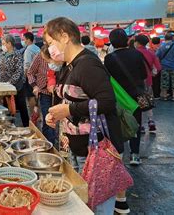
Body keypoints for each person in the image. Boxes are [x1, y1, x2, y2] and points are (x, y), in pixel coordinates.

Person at [44, 17, 124, 215]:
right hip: (80, 147)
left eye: (51, 43)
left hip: (96, 149)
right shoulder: (70, 64)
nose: (50, 48)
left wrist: (69, 111)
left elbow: (107, 102)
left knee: (97, 206)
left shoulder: (87, 64)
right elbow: (74, 97)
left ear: (65, 36)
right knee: (84, 203)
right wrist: (56, 113)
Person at [104, 29, 146, 166]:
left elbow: (106, 79)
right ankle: (135, 154)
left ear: (112, 43)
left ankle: (119, 154)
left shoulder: (109, 58)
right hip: (136, 96)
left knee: (119, 124)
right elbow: (144, 75)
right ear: (127, 40)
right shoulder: (137, 54)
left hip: (119, 98)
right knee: (136, 124)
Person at [27, 45, 57, 144]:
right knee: (47, 118)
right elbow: (30, 72)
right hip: (44, 93)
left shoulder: (58, 57)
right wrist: (34, 86)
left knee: (56, 119)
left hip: (58, 94)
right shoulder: (39, 56)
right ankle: (49, 144)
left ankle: (54, 141)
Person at [0, 35, 29, 127]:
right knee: (7, 106)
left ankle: (26, 126)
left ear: (9, 43)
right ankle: (9, 126)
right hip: (5, 86)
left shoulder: (17, 54)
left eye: (4, 44)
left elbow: (19, 71)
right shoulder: (3, 54)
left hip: (17, 86)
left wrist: (10, 83)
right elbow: (1, 70)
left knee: (21, 106)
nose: (2, 46)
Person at [134, 34, 161, 133]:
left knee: (139, 102)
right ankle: (151, 121)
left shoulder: (134, 53)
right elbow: (158, 67)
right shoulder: (151, 53)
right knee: (148, 101)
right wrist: (152, 74)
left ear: (137, 42)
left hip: (136, 82)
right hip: (148, 81)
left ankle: (139, 125)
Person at [156, 31, 174, 101]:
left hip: (164, 67)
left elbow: (157, 57)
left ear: (165, 38)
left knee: (164, 81)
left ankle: (165, 96)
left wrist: (159, 65)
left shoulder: (161, 47)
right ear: (172, 38)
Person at [22, 32, 41, 121]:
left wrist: (26, 77)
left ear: (28, 39)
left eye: (24, 39)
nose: (23, 41)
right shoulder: (37, 48)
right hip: (39, 76)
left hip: (31, 76)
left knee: (30, 96)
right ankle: (39, 115)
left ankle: (33, 116)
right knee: (37, 96)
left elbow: (27, 64)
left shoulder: (28, 50)